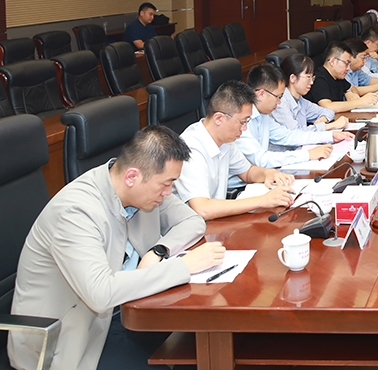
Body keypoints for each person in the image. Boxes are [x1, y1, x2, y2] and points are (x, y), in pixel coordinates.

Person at [8, 126, 226, 370]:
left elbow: (193, 221)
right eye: (166, 184)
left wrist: (159, 250)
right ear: (132, 177)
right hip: (75, 336)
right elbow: (101, 293)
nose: (169, 193)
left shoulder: (143, 190)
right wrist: (183, 267)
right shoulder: (75, 212)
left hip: (128, 309)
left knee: (201, 345)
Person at [174, 80, 296, 220]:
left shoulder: (225, 140)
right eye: (242, 122)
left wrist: (268, 173)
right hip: (191, 226)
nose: (244, 129)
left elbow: (247, 172)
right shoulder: (191, 148)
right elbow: (203, 209)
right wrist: (263, 200)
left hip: (216, 220)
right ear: (219, 118)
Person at [235, 63, 353, 175]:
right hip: (244, 185)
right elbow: (261, 159)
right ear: (261, 94)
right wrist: (308, 154)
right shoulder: (240, 120)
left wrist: (330, 136)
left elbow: (288, 136)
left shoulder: (263, 115)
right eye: (278, 97)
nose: (279, 102)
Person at [272, 53, 348, 132]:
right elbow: (296, 133)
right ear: (293, 78)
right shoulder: (280, 102)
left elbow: (328, 112)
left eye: (312, 77)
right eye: (308, 77)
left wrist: (321, 120)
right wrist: (328, 126)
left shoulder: (300, 100)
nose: (311, 82)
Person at [304, 41, 378, 114]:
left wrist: (347, 92)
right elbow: (328, 107)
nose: (348, 68)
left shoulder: (338, 77)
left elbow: (354, 89)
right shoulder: (318, 79)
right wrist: (360, 102)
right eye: (346, 63)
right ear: (332, 61)